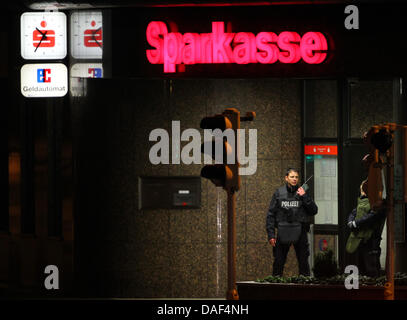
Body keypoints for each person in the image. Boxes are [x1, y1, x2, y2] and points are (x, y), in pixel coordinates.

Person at [266, 168, 318, 276]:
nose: (294, 179)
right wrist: (271, 234)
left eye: (296, 177)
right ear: (286, 178)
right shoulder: (279, 193)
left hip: (300, 231)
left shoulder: (302, 192)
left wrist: (304, 196)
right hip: (283, 230)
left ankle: (305, 288)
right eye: (292, 177)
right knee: (278, 263)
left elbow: (314, 210)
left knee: (303, 263)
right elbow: (271, 214)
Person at [346, 179, 386, 277]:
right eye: (361, 189)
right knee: (362, 266)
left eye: (363, 190)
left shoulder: (376, 203)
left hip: (371, 239)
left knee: (371, 267)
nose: (362, 192)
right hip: (361, 239)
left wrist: (355, 223)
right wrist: (351, 221)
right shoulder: (361, 201)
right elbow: (354, 212)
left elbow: (371, 216)